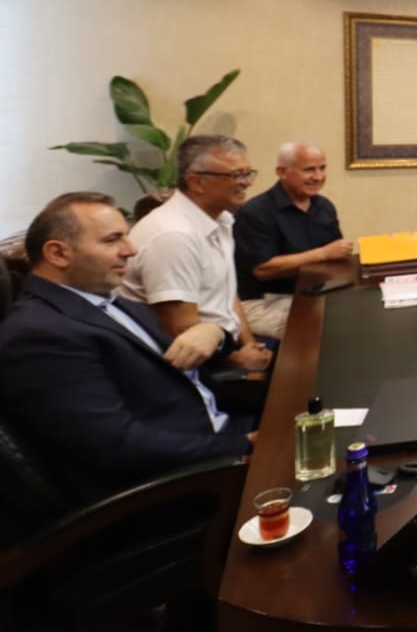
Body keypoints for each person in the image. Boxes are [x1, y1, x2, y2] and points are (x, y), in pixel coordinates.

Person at [0, 193, 254, 489]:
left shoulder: (108, 301)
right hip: (192, 477)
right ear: (58, 254)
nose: (131, 250)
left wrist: (215, 332)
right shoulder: (38, 334)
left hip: (220, 430)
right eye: (112, 240)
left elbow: (184, 365)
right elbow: (118, 446)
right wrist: (244, 444)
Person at [119, 135, 272, 372]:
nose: (248, 183)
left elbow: (227, 294)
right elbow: (179, 330)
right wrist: (238, 360)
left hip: (224, 345)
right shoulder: (174, 235)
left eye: (248, 173)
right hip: (196, 364)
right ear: (197, 182)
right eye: (236, 175)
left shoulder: (221, 220)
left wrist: (250, 345)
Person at [233, 141, 355, 339]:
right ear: (282, 172)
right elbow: (263, 269)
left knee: (359, 315)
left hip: (313, 293)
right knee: (325, 330)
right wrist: (323, 253)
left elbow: (335, 258)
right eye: (309, 170)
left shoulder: (324, 206)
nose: (318, 176)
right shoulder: (255, 212)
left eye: (322, 168)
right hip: (263, 302)